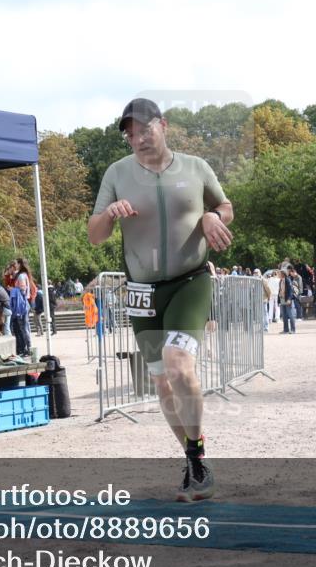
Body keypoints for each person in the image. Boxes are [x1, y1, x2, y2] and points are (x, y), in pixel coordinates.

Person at [87, 97, 232, 502]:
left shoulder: (195, 167)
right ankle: (193, 458)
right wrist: (110, 215)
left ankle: (196, 457)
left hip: (191, 281)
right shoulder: (116, 174)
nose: (137, 139)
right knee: (160, 382)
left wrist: (212, 217)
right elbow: (94, 235)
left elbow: (224, 205)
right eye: (130, 134)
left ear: (163, 125)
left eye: (144, 129)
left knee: (178, 363)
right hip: (141, 291)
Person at [279, 266, 299, 334]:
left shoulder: (288, 280)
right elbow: (280, 290)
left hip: (287, 299)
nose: (279, 274)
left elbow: (290, 291)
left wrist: (289, 299)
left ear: (283, 274)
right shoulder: (281, 280)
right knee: (284, 316)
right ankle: (286, 329)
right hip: (282, 299)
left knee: (290, 315)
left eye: (280, 273)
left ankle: (293, 329)